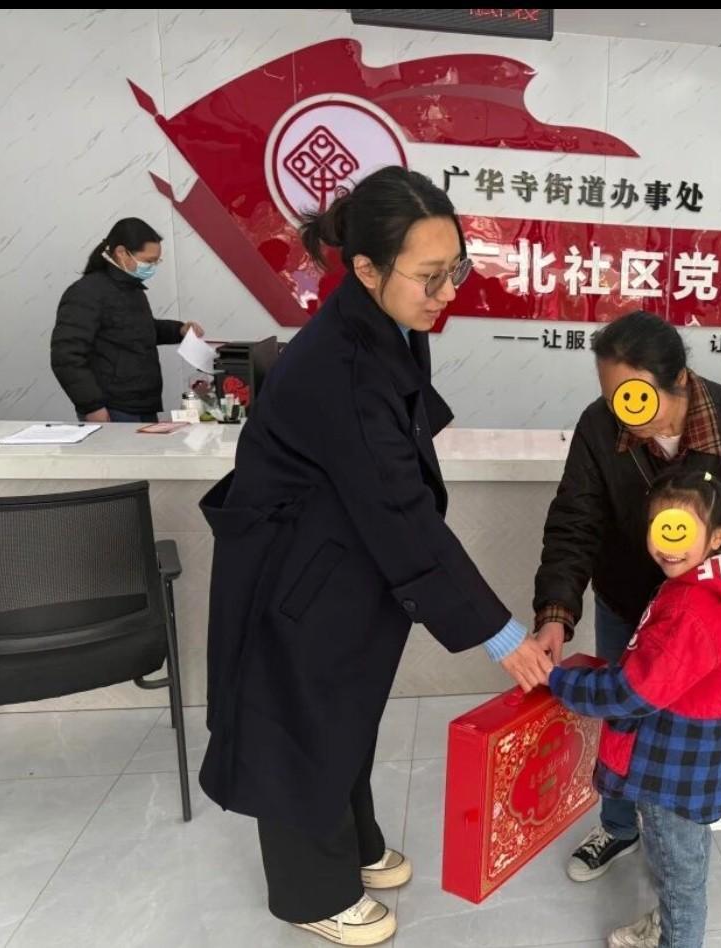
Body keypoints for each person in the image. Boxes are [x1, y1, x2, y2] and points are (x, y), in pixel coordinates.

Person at [197, 167, 553, 946]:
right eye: (430, 276)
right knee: (301, 721)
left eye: (455, 269)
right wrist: (500, 636)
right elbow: (401, 512)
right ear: (365, 268)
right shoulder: (342, 366)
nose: (446, 292)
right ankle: (311, 894)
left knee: (345, 710)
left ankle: (355, 845)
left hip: (339, 553)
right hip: (297, 572)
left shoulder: (384, 321)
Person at [532, 310, 721, 881]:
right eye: (612, 396)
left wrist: (699, 606)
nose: (622, 413)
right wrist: (555, 614)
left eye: (635, 398)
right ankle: (618, 827)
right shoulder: (599, 427)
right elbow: (574, 521)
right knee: (622, 715)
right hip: (626, 600)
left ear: (678, 380)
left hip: (701, 619)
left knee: (684, 736)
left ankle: (678, 845)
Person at [549, 469, 721, 948]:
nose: (668, 546)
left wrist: (560, 682)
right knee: (687, 857)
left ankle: (675, 937)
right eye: (660, 529)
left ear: (717, 536)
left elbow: (633, 692)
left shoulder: (691, 608)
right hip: (702, 758)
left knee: (677, 876)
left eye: (681, 531)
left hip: (670, 771)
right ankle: (667, 925)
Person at [51, 218, 204, 422]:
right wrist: (92, 406)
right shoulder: (86, 292)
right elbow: (66, 355)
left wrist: (179, 330)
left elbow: (139, 330)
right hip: (112, 408)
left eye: (156, 261)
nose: (152, 267)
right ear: (121, 253)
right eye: (148, 261)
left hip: (142, 405)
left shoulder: (132, 288)